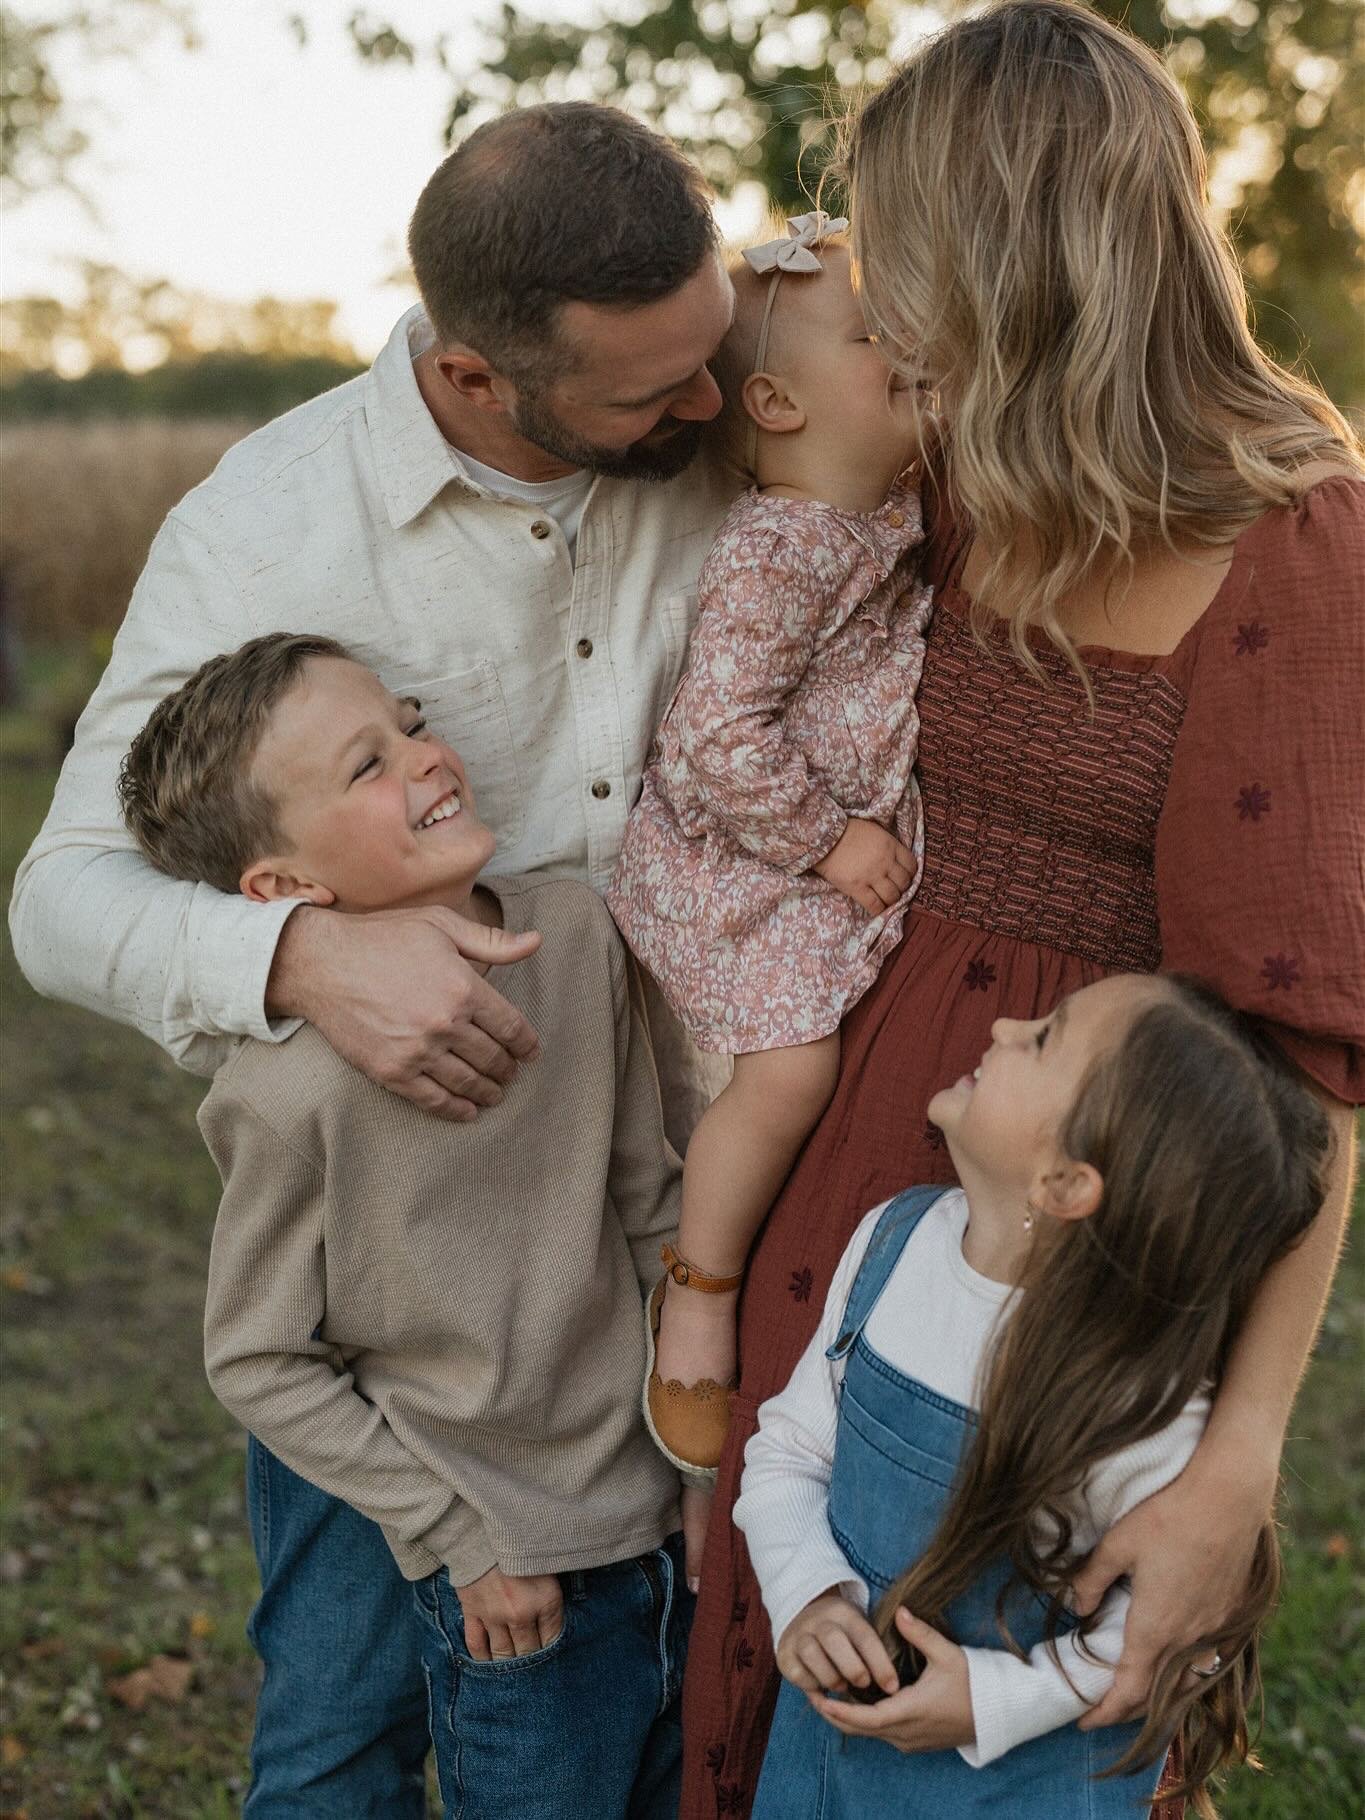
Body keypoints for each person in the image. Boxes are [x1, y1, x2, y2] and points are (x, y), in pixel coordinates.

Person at [679, 8, 1365, 1816]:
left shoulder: (1292, 543)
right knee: (789, 1645)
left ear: (1014, 254)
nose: (881, 292)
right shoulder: (957, 464)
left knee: (1011, 1720)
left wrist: (1236, 1459)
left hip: (1068, 1221)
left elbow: (1309, 1068)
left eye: (906, 241)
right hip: (857, 1134)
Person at [10, 103, 734, 1818]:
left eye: (713, 353)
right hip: (397, 1287)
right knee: (336, 1735)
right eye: (651, 392)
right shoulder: (268, 527)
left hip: (658, 1231)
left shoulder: (724, 401)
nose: (712, 406)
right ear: (478, 378)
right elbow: (59, 897)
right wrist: (303, 958)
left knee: (639, 1719)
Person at [119, 632, 693, 1820]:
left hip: (652, 1524)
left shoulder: (577, 936)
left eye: (411, 723)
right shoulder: (290, 1092)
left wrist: (692, 1460)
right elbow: (257, 1356)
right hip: (505, 1574)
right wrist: (461, 1541)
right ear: (283, 888)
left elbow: (649, 1205)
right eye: (367, 764)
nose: (426, 758)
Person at [734, 974, 1330, 1818]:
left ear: (1064, 1184)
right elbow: (788, 1452)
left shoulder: (1129, 1396)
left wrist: (991, 1700)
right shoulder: (891, 1245)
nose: (1005, 1024)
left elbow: (1171, 1632)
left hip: (1021, 1789)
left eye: (1043, 1038)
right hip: (831, 1766)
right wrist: (810, 1596)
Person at [607, 213, 930, 1481]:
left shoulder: (881, 511)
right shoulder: (779, 547)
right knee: (793, 1072)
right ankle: (699, 1285)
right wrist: (830, 841)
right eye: (876, 334)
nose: (915, 345)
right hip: (736, 861)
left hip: (804, 860)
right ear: (779, 404)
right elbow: (711, 738)